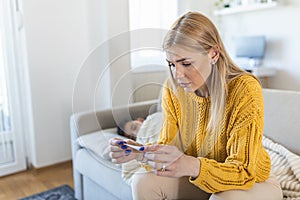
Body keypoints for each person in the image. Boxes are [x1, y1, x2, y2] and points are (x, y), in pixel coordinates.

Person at [109, 11, 283, 200]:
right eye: (172, 64)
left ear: (213, 54)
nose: (177, 75)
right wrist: (140, 153)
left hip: (251, 182)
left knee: (223, 198)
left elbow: (244, 171)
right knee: (142, 181)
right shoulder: (173, 88)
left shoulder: (244, 88)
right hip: (199, 176)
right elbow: (167, 146)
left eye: (186, 63)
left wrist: (191, 165)